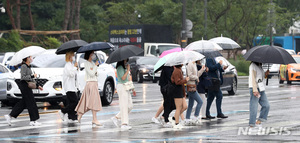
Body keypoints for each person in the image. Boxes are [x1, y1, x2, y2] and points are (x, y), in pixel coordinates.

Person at [4, 56, 43, 126]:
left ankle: (10, 116)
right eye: (30, 57)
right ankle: (33, 120)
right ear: (27, 58)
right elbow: (23, 77)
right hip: (24, 86)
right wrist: (32, 76)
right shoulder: (24, 66)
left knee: (23, 103)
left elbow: (31, 79)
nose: (31, 59)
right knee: (31, 103)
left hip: (27, 86)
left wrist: (37, 86)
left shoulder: (28, 66)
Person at [75, 51, 102, 126]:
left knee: (90, 102)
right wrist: (95, 66)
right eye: (92, 54)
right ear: (89, 54)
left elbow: (96, 73)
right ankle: (94, 119)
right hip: (90, 83)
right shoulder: (86, 63)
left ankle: (80, 114)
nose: (93, 55)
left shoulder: (92, 63)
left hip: (94, 83)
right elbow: (91, 73)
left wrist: (95, 67)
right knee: (93, 102)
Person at [111, 59, 133, 131]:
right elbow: (123, 78)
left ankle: (116, 117)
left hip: (126, 86)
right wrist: (127, 70)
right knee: (124, 106)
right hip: (122, 86)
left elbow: (128, 78)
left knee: (130, 106)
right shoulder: (120, 67)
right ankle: (124, 124)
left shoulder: (124, 67)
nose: (127, 60)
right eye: (126, 59)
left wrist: (133, 88)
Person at [58, 51, 79, 123]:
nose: (73, 56)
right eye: (72, 55)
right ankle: (63, 111)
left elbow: (75, 75)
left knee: (71, 102)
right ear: (69, 56)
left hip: (73, 87)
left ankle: (72, 117)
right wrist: (75, 68)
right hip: (69, 87)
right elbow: (71, 74)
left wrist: (76, 68)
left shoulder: (71, 65)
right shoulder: (67, 65)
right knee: (75, 102)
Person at [248, 62, 270, 129]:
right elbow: (253, 78)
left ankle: (259, 121)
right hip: (255, 88)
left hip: (261, 88)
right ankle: (252, 124)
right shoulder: (253, 65)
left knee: (266, 105)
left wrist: (266, 74)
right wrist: (254, 89)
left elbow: (261, 77)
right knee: (254, 107)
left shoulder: (260, 65)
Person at [185, 61, 206, 125]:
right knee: (200, 101)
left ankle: (187, 119)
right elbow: (190, 75)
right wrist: (196, 78)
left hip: (193, 85)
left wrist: (202, 70)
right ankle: (195, 116)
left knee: (191, 104)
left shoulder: (194, 64)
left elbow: (196, 75)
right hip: (190, 85)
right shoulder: (190, 64)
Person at [171, 64, 189, 129]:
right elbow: (177, 82)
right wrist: (185, 80)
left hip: (180, 91)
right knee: (178, 107)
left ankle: (174, 117)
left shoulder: (179, 70)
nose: (183, 63)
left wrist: (184, 93)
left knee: (185, 106)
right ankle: (176, 123)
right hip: (177, 91)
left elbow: (181, 84)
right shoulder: (177, 71)